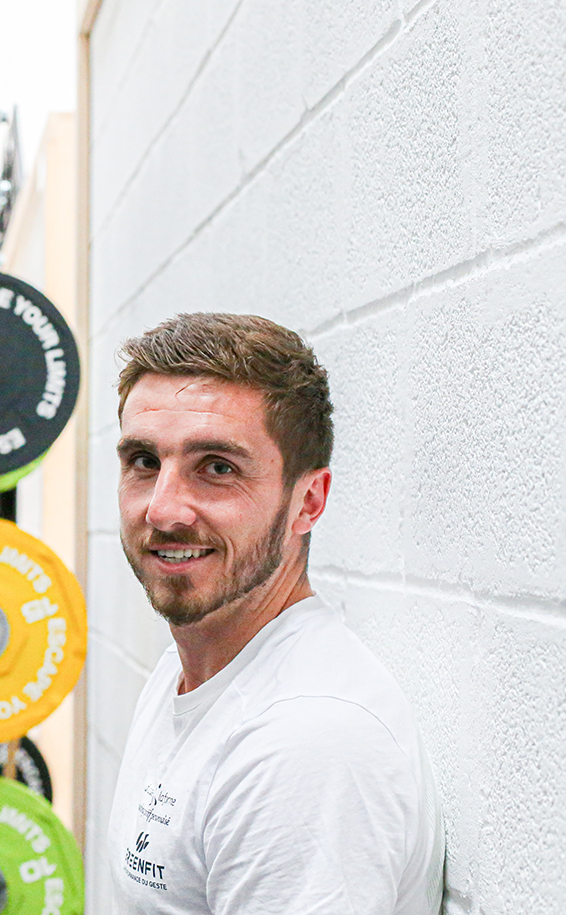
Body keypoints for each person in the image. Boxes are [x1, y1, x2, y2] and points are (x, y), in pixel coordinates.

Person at [107, 313, 444, 914]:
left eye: (217, 467)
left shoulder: (305, 742)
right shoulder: (191, 666)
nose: (163, 510)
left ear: (307, 501)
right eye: (144, 462)